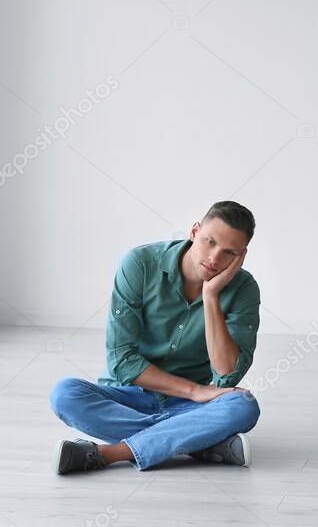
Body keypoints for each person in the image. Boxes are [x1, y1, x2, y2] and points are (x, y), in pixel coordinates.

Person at [49, 201, 262, 474]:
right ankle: (196, 443)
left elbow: (226, 377)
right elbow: (121, 360)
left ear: (241, 256)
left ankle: (112, 453)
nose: (214, 258)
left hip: (185, 406)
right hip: (128, 396)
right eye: (210, 242)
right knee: (64, 394)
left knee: (242, 405)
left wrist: (211, 297)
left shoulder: (244, 289)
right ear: (195, 231)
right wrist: (195, 391)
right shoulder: (140, 263)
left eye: (228, 253)